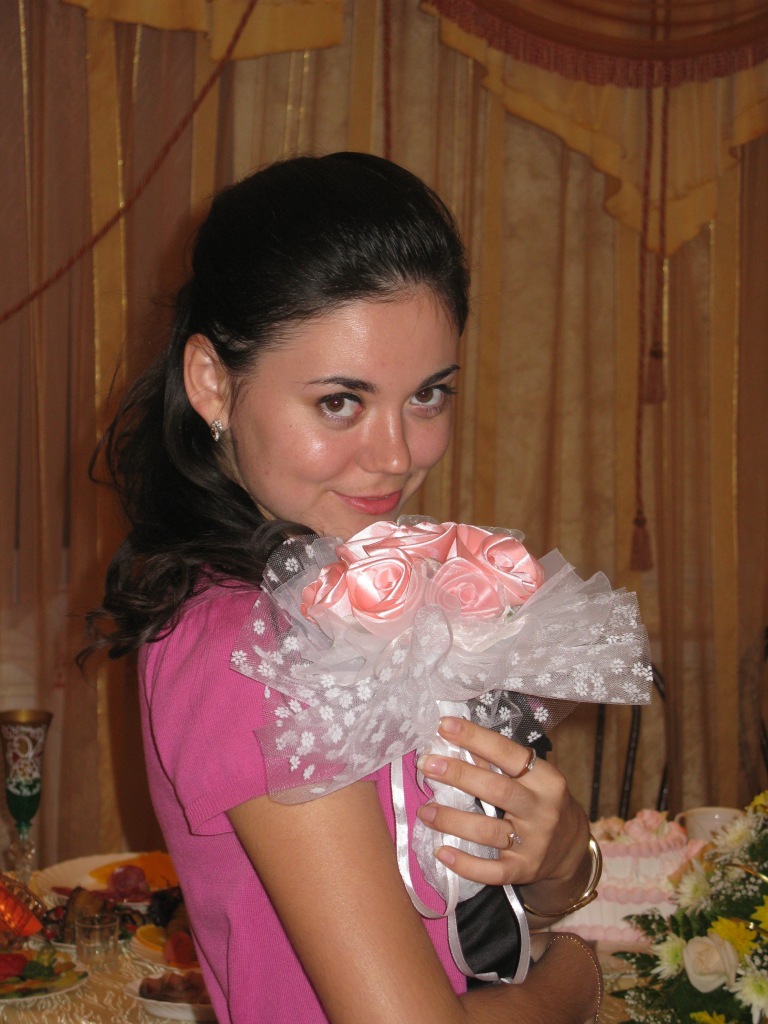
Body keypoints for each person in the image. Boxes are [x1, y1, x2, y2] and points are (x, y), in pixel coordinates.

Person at [83, 152, 602, 1024]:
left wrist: (561, 864)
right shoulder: (243, 648)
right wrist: (578, 978)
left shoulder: (338, 592)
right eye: (339, 402)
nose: (397, 456)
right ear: (212, 383)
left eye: (428, 396)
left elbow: (459, 923)